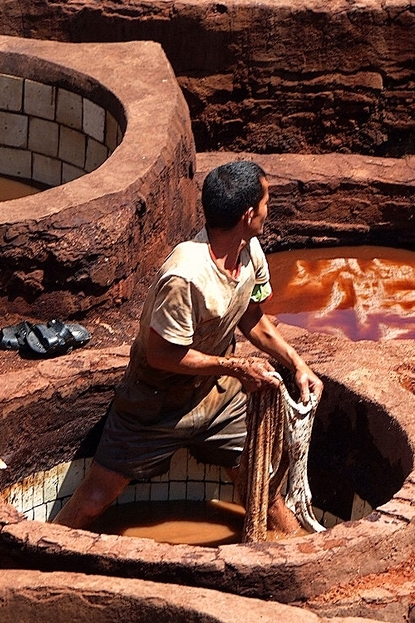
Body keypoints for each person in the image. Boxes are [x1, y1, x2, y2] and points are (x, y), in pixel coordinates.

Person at [54, 160, 323, 535]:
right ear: (248, 214)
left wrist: (297, 364)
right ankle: (30, 556)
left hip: (218, 396)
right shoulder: (186, 275)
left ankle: (296, 568)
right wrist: (236, 368)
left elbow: (251, 318)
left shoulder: (250, 250)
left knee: (264, 495)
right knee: (96, 499)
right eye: (266, 202)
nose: (268, 209)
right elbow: (162, 353)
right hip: (154, 402)